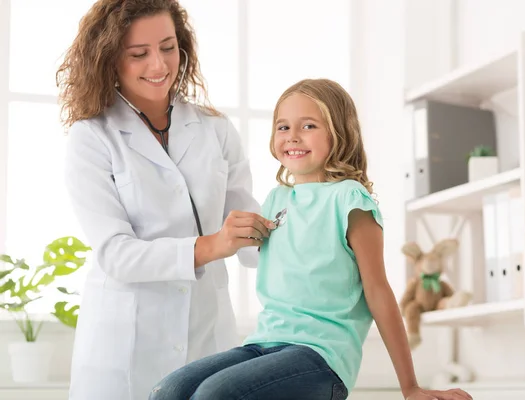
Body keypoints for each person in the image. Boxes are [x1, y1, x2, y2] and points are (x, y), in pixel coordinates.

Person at [147, 78, 473, 400]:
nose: (293, 137)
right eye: (283, 127)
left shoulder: (350, 200)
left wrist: (410, 388)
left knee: (215, 395)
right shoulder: (277, 200)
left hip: (321, 355)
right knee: (169, 391)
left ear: (339, 133)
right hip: (265, 342)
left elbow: (378, 291)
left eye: (309, 126)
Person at [56, 1, 274, 399]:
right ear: (109, 59)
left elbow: (251, 234)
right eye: (138, 54)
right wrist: (212, 245)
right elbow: (117, 254)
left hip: (206, 334)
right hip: (124, 348)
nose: (158, 65)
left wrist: (309, 226)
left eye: (168, 47)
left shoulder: (216, 129)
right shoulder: (93, 137)